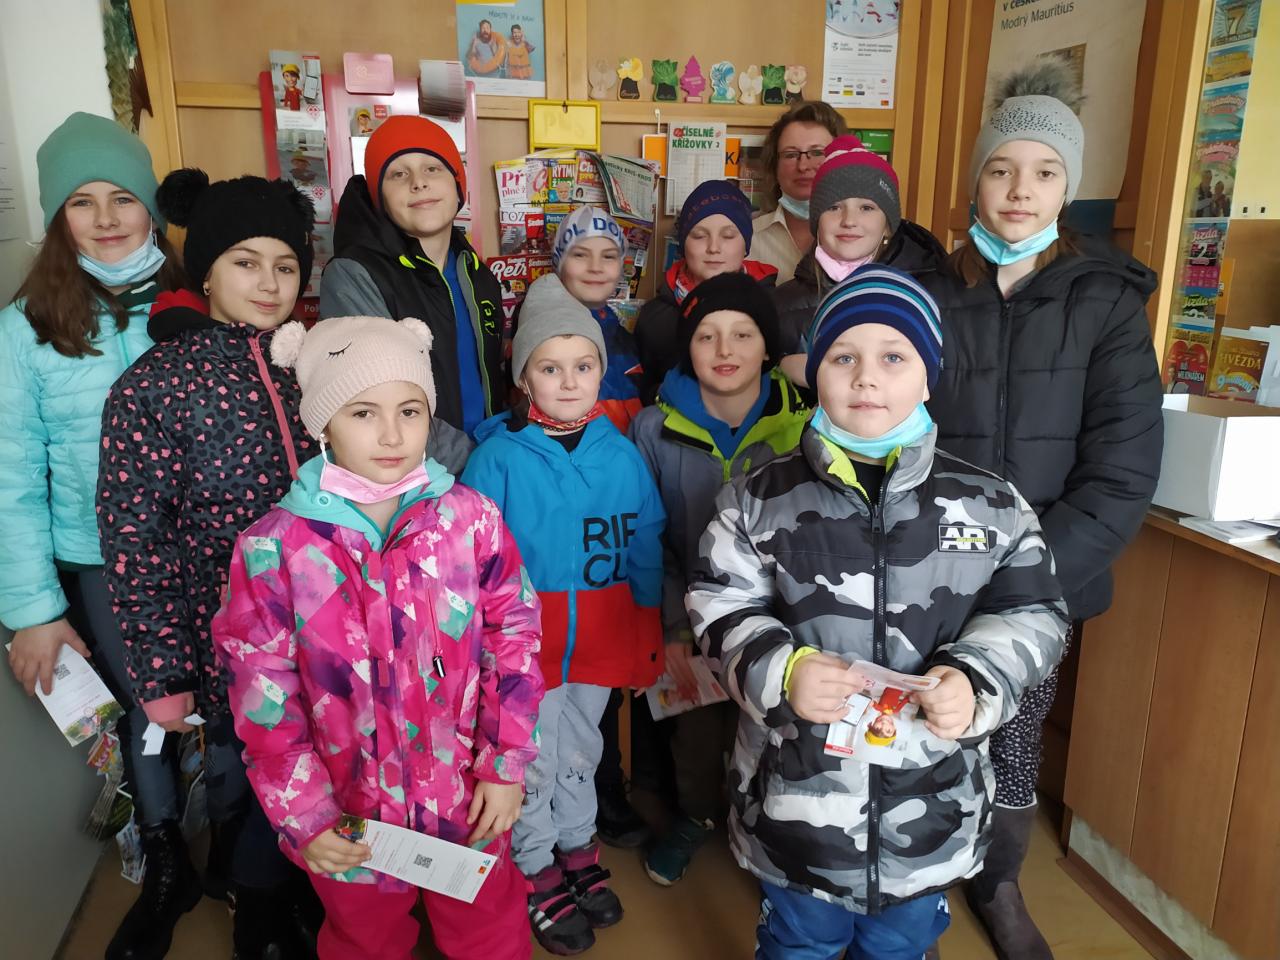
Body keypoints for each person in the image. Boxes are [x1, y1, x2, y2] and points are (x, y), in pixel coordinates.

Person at [686, 265, 1069, 960]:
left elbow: (1034, 611)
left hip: (932, 812)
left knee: (901, 945)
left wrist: (976, 678)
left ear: (928, 380)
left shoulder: (990, 505)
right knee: (800, 942)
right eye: (843, 358)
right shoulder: (756, 498)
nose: (866, 378)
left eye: (894, 358)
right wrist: (783, 671)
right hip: (797, 808)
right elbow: (719, 602)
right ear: (815, 373)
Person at [922, 57, 1164, 960]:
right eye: (1001, 168)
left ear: (1070, 187)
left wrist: (1022, 581)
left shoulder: (1108, 302)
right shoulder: (932, 293)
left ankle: (999, 882)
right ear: (975, 182)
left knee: (1013, 739)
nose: (1020, 190)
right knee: (926, 726)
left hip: (1045, 583)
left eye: (1045, 172)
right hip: (927, 572)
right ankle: (914, 877)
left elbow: (1122, 473)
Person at [213, 315, 544, 960]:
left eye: (410, 411)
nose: (393, 435)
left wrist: (504, 765)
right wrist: (305, 814)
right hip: (351, 814)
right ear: (324, 424)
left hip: (465, 799)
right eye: (363, 412)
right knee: (366, 940)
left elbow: (515, 638)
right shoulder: (273, 548)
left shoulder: (471, 521)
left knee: (488, 929)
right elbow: (263, 696)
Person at [97, 168, 322, 959]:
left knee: (319, 768)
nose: (269, 283)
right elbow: (135, 541)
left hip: (328, 632)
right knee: (251, 778)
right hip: (226, 638)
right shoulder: (154, 387)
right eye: (245, 262)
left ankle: (301, 888)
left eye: (286, 265)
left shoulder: (318, 365)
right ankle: (255, 906)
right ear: (207, 271)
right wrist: (162, 675)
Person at [0, 111, 189, 960]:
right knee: (146, 711)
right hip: (102, 562)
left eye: (123, 197)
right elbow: (9, 478)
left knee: (233, 701)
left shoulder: (194, 301)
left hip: (203, 551)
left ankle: (255, 857)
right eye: (82, 201)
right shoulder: (25, 328)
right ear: (56, 217)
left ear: (152, 206)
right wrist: (34, 610)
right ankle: (166, 854)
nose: (107, 218)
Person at [462, 274, 665, 956]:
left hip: (601, 641)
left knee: (582, 750)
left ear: (601, 372)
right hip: (524, 651)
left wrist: (646, 630)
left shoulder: (622, 452)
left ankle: (578, 847)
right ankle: (534, 862)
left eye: (583, 366)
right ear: (525, 378)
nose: (570, 381)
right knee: (532, 760)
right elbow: (471, 558)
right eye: (550, 368)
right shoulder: (496, 459)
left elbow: (645, 540)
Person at [629, 272, 808, 887]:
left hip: (783, 617)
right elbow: (648, 536)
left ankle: (767, 829)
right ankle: (696, 817)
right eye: (707, 336)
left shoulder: (805, 424)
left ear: (768, 346)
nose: (725, 350)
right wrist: (674, 627)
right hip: (691, 613)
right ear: (688, 348)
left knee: (777, 725)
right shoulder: (652, 429)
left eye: (743, 334)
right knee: (697, 734)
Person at [321, 115, 502, 459]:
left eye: (432, 168)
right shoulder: (354, 275)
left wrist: (504, 450)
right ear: (380, 197)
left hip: (488, 462)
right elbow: (375, 401)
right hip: (417, 473)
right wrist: (478, 463)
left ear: (458, 185)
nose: (418, 183)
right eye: (398, 174)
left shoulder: (477, 274)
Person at [772, 133, 945, 385]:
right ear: (817, 222)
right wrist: (779, 367)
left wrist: (819, 372)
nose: (849, 221)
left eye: (866, 208)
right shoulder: (780, 304)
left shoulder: (932, 294)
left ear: (888, 225)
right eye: (833, 207)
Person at [634, 179, 777, 402]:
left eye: (728, 236)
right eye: (700, 236)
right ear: (683, 244)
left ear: (746, 244)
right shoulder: (655, 317)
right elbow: (643, 392)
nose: (713, 248)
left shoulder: (773, 306)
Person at [550, 208, 642, 443]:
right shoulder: (545, 336)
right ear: (559, 262)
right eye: (580, 255)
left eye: (608, 256)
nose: (596, 267)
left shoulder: (625, 337)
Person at [749, 101, 848, 283]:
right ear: (774, 166)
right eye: (791, 155)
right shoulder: (746, 238)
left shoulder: (863, 237)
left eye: (817, 152)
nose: (803, 166)